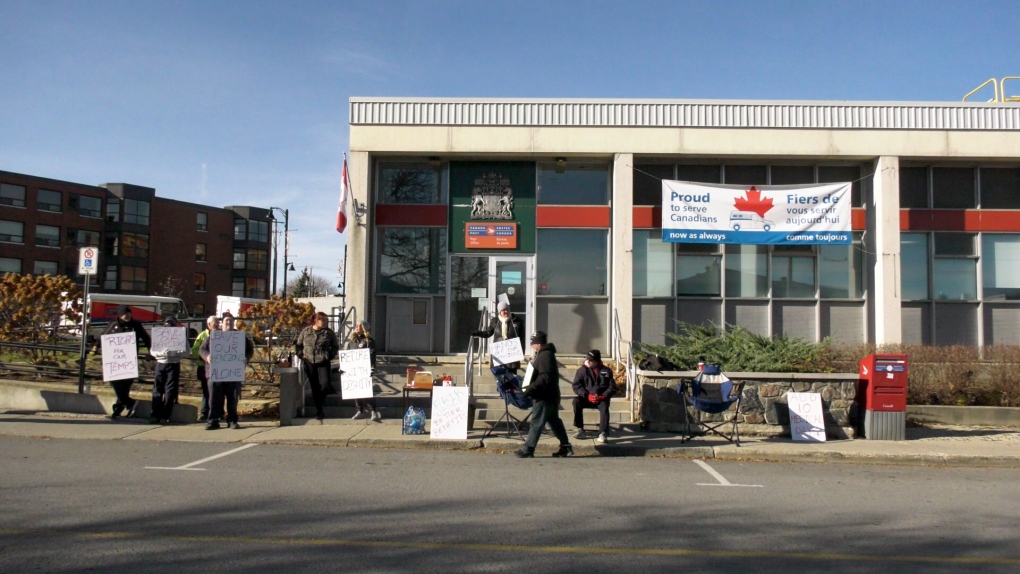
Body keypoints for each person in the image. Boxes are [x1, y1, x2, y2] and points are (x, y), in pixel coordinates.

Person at [88, 304, 151, 420]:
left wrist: (150, 352)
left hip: (129, 362)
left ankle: (118, 409)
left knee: (125, 386)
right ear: (119, 315)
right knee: (115, 383)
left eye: (128, 313)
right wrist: (95, 347)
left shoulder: (136, 325)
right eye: (124, 314)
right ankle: (130, 403)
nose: (127, 316)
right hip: (114, 363)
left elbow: (147, 339)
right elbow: (103, 336)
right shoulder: (113, 325)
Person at [517, 331, 572, 458]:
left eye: (533, 343)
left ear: (538, 343)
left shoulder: (545, 356)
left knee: (536, 421)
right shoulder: (545, 354)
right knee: (554, 422)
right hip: (550, 395)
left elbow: (544, 377)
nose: (531, 345)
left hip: (544, 396)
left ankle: (528, 449)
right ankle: (565, 446)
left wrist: (530, 388)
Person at [199, 312, 254, 430]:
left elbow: (250, 349)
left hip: (233, 373)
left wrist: (246, 358)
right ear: (221, 323)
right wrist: (207, 356)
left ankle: (232, 420)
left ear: (233, 323)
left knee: (232, 398)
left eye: (230, 320)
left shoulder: (239, 337)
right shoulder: (213, 336)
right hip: (215, 373)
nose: (228, 323)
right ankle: (213, 420)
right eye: (226, 321)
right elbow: (202, 349)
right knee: (214, 398)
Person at [295, 311, 340, 421]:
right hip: (309, 361)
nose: (325, 322)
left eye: (326, 320)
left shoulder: (329, 333)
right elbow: (298, 345)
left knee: (325, 384)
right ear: (316, 320)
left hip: (323, 361)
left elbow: (335, 346)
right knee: (314, 386)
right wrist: (301, 355)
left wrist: (330, 355)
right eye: (323, 320)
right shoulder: (306, 331)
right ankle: (319, 411)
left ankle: (319, 402)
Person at [472, 300, 526, 384]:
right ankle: (503, 393)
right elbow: (488, 333)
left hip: (512, 355)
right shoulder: (495, 321)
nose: (505, 311)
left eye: (507, 309)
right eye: (503, 310)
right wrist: (477, 333)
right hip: (499, 355)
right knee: (500, 379)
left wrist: (521, 352)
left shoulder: (517, 321)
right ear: (499, 312)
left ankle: (512, 396)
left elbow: (522, 338)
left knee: (512, 379)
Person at [571, 349, 617, 444]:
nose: (587, 361)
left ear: (597, 361)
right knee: (576, 401)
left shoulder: (606, 371)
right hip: (587, 397)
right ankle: (580, 429)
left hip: (601, 399)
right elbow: (576, 386)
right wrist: (587, 395)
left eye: (590, 360)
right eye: (586, 359)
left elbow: (612, 387)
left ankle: (602, 433)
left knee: (605, 406)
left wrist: (603, 396)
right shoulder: (582, 370)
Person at [149, 315, 186, 424]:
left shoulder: (180, 336)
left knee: (170, 391)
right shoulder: (159, 335)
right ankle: (155, 415)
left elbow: (187, 351)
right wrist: (160, 353)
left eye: (172, 323)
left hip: (173, 364)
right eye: (168, 323)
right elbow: (152, 351)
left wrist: (177, 352)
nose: (170, 325)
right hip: (161, 363)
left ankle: (165, 415)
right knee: (157, 389)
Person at [347, 320, 381, 421]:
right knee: (356, 390)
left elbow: (372, 355)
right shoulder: (352, 341)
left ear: (364, 328)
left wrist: (372, 368)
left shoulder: (369, 341)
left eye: (359, 325)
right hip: (354, 370)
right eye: (356, 325)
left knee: (366, 390)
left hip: (365, 369)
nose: (356, 327)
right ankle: (359, 410)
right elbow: (347, 354)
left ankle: (373, 411)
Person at [190, 315, 220, 422]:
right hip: (204, 368)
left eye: (218, 322)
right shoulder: (203, 335)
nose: (217, 324)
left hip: (219, 369)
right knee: (206, 391)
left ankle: (218, 412)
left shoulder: (222, 335)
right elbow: (195, 350)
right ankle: (204, 412)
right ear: (209, 325)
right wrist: (205, 358)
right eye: (214, 323)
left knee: (218, 392)